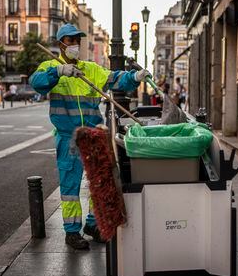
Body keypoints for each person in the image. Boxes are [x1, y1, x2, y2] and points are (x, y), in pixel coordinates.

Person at [30, 23, 150, 250]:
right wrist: (58, 72)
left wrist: (135, 76)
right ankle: (72, 232)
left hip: (94, 136)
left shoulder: (91, 69)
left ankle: (93, 225)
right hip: (69, 137)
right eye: (70, 40)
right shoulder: (50, 66)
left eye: (77, 40)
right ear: (61, 44)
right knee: (70, 187)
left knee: (100, 181)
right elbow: (37, 84)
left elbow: (116, 79)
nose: (75, 44)